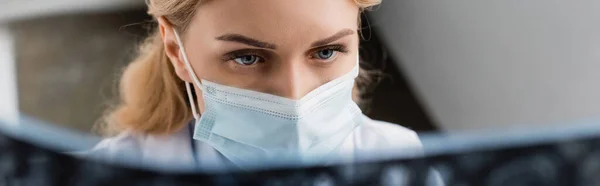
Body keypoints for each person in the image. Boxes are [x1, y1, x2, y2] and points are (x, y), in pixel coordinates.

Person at [86, 0, 423, 171]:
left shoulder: (403, 163)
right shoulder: (97, 175)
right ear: (177, 52)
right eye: (247, 58)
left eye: (326, 51)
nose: (294, 97)